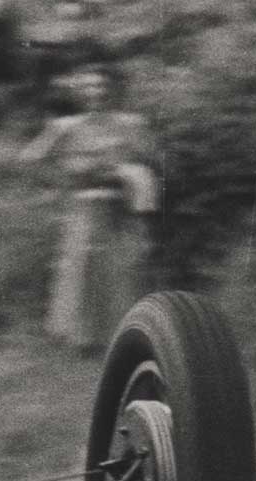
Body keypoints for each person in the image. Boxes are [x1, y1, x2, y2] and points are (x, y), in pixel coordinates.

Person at [19, 66, 159, 351]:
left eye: (101, 86)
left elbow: (152, 156)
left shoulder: (128, 123)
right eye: (89, 87)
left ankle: (124, 334)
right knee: (83, 266)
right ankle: (85, 339)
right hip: (84, 204)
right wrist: (59, 181)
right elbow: (30, 159)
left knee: (121, 268)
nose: (96, 92)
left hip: (120, 204)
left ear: (111, 89)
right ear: (79, 93)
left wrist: (130, 171)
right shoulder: (66, 126)